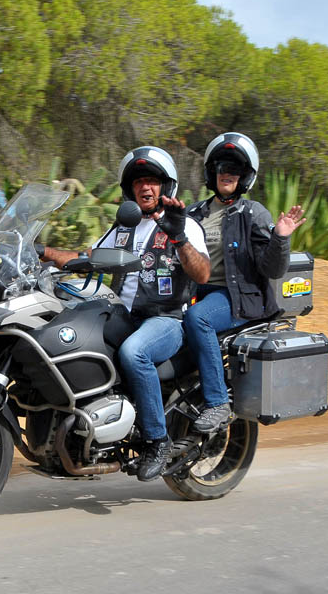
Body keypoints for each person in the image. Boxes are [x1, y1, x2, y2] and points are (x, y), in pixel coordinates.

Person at [39, 146, 211, 481]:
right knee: (69, 337)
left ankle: (157, 442)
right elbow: (85, 257)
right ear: (130, 189)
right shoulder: (123, 226)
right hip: (123, 315)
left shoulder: (184, 225)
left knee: (135, 353)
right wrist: (44, 251)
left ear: (166, 186)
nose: (146, 187)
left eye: (152, 181)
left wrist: (178, 237)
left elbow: (202, 274)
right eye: (139, 182)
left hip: (166, 319)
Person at [183, 132, 306, 432]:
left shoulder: (252, 213)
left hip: (234, 296)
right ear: (212, 173)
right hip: (194, 291)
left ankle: (217, 402)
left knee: (199, 318)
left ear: (245, 176)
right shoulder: (193, 213)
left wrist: (280, 238)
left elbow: (273, 269)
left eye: (235, 169)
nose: (227, 174)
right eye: (222, 167)